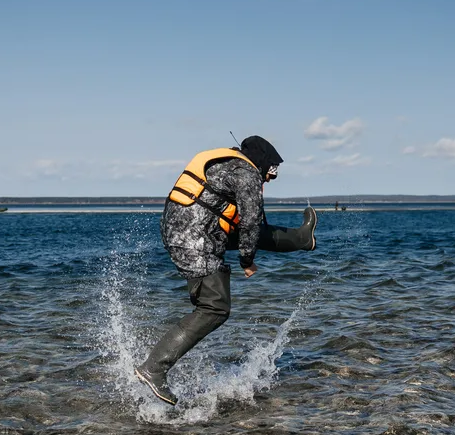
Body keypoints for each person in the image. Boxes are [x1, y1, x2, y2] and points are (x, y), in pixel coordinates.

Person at [135, 135, 318, 405]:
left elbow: (249, 225)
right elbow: (252, 220)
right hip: (196, 240)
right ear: (263, 163)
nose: (269, 179)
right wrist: (247, 261)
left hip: (190, 231)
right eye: (271, 173)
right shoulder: (246, 173)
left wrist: (249, 245)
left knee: (252, 233)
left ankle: (303, 238)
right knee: (215, 307)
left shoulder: (229, 164)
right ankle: (154, 368)